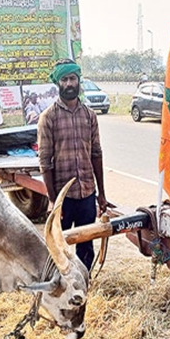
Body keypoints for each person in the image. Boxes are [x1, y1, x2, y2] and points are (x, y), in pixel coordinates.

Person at [38, 59, 114, 271]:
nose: (69, 83)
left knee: (86, 244)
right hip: (64, 196)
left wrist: (101, 194)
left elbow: (96, 154)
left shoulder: (89, 116)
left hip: (87, 193)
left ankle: (84, 282)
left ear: (79, 81)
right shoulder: (48, 118)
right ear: (58, 84)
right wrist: (53, 200)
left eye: (73, 79)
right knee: (59, 246)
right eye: (65, 79)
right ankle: (61, 286)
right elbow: (45, 162)